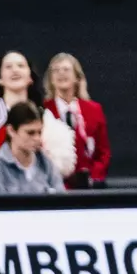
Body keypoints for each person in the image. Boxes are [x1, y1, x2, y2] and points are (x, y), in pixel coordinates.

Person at [43, 52, 111, 188]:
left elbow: (103, 152)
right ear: (50, 79)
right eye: (56, 70)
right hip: (54, 186)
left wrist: (93, 176)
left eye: (66, 69)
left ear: (77, 77)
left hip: (88, 186)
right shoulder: (42, 110)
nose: (61, 73)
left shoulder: (94, 110)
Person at [0, 101, 65, 195]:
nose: (37, 138)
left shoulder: (47, 165)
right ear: (11, 131)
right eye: (30, 133)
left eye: (39, 132)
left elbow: (62, 204)